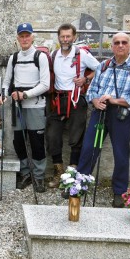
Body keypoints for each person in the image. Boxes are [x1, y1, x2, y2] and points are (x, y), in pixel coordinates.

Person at [76, 32, 130, 208]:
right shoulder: (104, 65)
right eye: (117, 43)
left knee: (121, 153)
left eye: (124, 42)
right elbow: (91, 89)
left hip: (121, 115)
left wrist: (114, 100)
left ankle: (119, 192)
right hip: (100, 111)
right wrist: (95, 100)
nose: (120, 45)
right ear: (112, 46)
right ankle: (79, 186)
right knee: (89, 149)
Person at [45, 23, 100, 188]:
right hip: (57, 100)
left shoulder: (81, 54)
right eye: (62, 36)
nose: (65, 39)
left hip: (77, 100)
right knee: (52, 136)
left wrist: (86, 78)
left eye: (68, 36)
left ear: (74, 37)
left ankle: (72, 175)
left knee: (76, 138)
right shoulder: (54, 55)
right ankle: (58, 172)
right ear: (58, 38)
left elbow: (101, 68)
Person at [0, 22, 50, 193]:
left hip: (35, 105)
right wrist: (3, 95)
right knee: (19, 141)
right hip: (17, 105)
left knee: (36, 141)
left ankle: (39, 177)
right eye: (22, 36)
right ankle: (26, 173)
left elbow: (45, 84)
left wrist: (25, 95)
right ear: (18, 38)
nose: (25, 39)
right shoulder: (14, 58)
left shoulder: (40, 57)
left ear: (32, 36)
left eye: (27, 35)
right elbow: (7, 82)